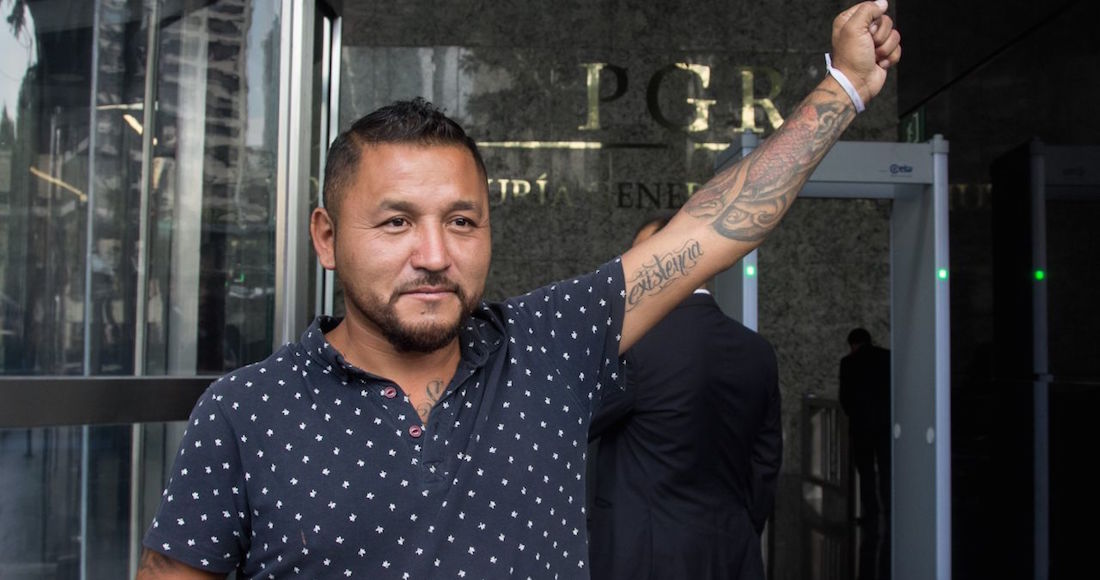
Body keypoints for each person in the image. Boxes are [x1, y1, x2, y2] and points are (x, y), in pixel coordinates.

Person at [137, 3, 900, 577]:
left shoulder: (549, 346)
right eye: (397, 222)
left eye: (462, 221)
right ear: (327, 238)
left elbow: (719, 225)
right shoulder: (246, 411)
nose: (434, 255)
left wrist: (846, 87)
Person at [587, 213, 781, 579]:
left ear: (662, 260)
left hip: (648, 559)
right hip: (733, 553)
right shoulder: (758, 352)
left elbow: (572, 423)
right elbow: (766, 463)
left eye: (637, 259)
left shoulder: (634, 347)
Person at [839, 327, 892, 580]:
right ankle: (890, 511)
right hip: (884, 426)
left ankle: (871, 514)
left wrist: (856, 414)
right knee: (886, 468)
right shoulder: (887, 358)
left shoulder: (848, 363)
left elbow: (845, 398)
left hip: (861, 427)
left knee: (867, 472)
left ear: (853, 345)